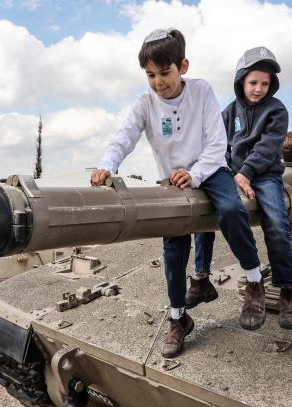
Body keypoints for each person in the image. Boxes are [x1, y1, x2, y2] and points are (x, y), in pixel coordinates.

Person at [91, 28, 263, 358]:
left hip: (209, 169)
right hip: (171, 181)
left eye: (165, 72)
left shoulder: (201, 91)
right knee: (173, 249)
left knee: (230, 210)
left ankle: (254, 281)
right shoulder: (145, 104)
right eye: (150, 75)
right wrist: (106, 166)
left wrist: (196, 173)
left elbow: (216, 143)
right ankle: (178, 318)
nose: (158, 82)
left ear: (182, 66)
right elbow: (123, 138)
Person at [193, 46, 292, 331]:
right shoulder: (229, 112)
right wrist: (227, 172)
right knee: (204, 207)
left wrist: (247, 173)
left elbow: (268, 147)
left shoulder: (277, 110)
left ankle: (288, 290)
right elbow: (218, 145)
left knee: (277, 223)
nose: (259, 89)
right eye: (253, 82)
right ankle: (204, 276)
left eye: (265, 84)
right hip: (232, 173)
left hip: (264, 175)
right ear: (241, 80)